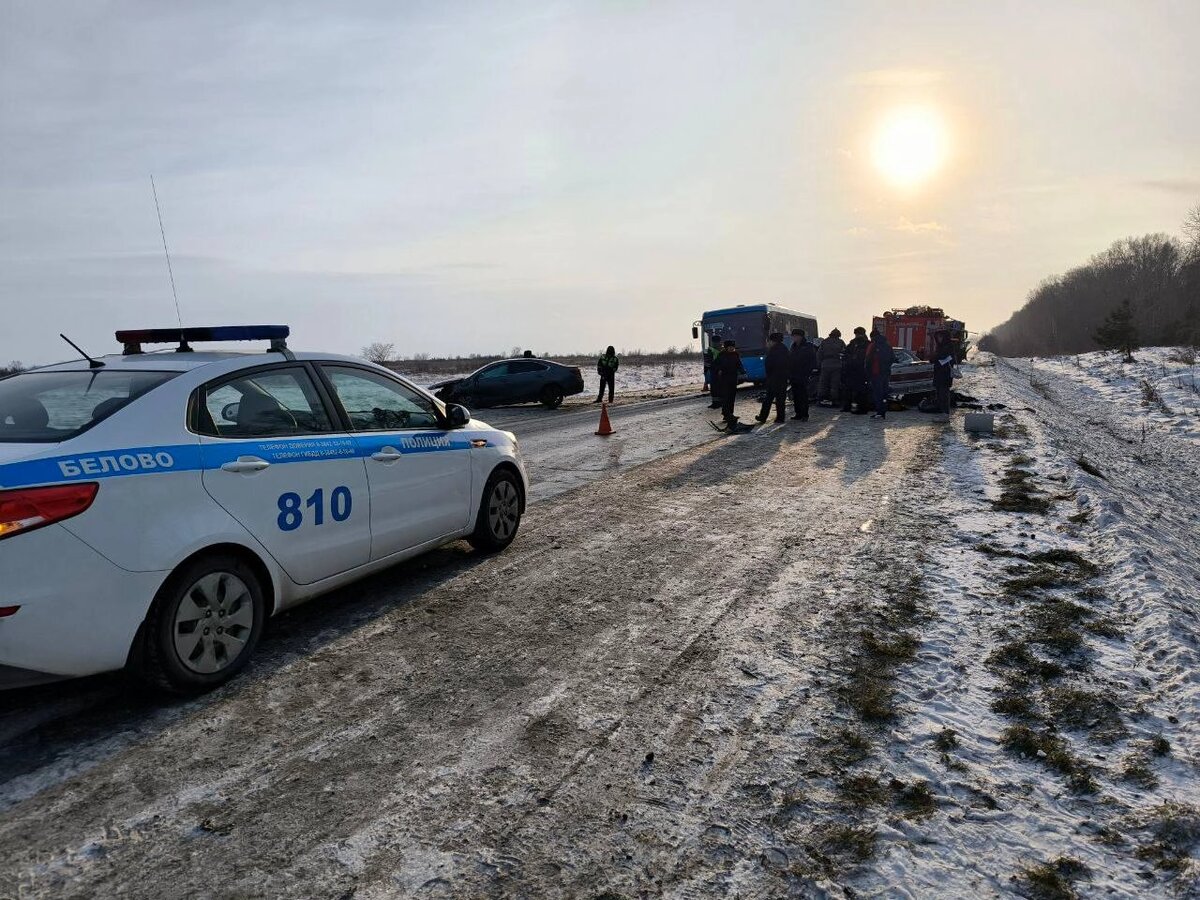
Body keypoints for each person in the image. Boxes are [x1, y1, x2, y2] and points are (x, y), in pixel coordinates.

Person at [755, 332, 790, 424]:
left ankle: (763, 417)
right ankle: (780, 417)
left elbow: (770, 364)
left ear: (773, 341)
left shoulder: (774, 350)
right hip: (781, 377)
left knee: (769, 399)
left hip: (775, 378)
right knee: (780, 399)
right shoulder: (784, 349)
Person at [864, 328, 894, 419]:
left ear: (872, 336)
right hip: (886, 373)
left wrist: (867, 373)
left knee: (877, 393)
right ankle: (883, 412)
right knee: (884, 393)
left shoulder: (872, 345)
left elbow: (868, 360)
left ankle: (879, 412)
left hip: (875, 372)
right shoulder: (887, 345)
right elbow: (892, 358)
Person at [712, 339, 743, 425]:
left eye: (733, 347)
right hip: (724, 379)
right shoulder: (721, 355)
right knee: (726, 397)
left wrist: (743, 372)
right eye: (730, 347)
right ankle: (726, 414)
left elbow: (739, 364)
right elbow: (715, 365)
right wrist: (719, 370)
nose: (732, 349)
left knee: (732, 397)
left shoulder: (735, 354)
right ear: (726, 348)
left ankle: (730, 414)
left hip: (733, 378)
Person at [841, 327, 870, 413]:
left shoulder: (866, 344)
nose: (857, 335)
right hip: (852, 370)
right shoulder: (853, 343)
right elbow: (846, 354)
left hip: (860, 370)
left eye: (859, 334)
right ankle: (849, 407)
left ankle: (860, 408)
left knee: (860, 391)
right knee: (849, 390)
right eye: (857, 334)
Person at [816, 328, 846, 406]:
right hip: (837, 365)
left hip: (825, 364)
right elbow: (845, 352)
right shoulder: (840, 342)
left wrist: (819, 364)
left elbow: (819, 354)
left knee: (823, 383)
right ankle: (834, 400)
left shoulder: (824, 342)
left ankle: (820, 399)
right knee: (834, 384)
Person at [932, 330, 955, 417]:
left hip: (945, 374)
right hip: (938, 373)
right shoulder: (940, 346)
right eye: (938, 337)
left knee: (944, 394)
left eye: (940, 337)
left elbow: (943, 357)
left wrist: (935, 358)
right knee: (939, 394)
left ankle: (945, 412)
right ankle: (942, 411)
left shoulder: (948, 346)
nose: (939, 338)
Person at [704, 333, 722, 406]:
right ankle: (716, 402)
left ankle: (717, 403)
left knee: (716, 387)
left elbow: (708, 361)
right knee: (716, 387)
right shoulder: (720, 349)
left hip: (716, 371)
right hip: (717, 371)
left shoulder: (712, 350)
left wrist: (706, 369)